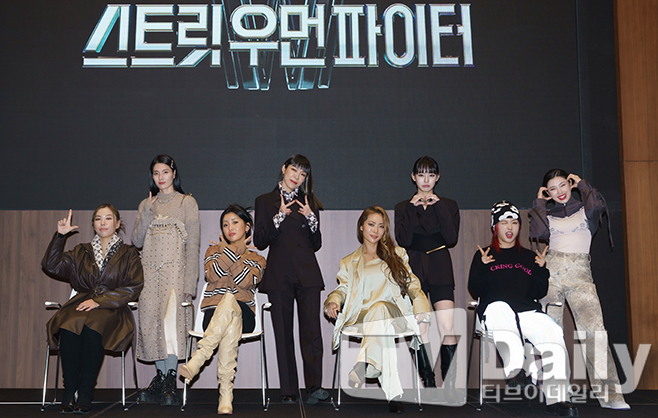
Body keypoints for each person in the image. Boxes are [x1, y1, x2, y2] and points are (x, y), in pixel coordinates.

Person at [529, 169, 630, 410]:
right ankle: (557, 393)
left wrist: (582, 185)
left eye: (563, 185)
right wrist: (540, 203)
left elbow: (598, 206)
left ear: (570, 184)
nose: (559, 192)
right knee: (551, 334)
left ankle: (611, 396)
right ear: (548, 193)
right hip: (552, 274)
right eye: (552, 189)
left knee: (595, 332)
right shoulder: (548, 214)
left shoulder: (586, 210)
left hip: (580, 274)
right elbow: (538, 232)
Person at [468, 201, 578, 417]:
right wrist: (482, 267)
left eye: (514, 222)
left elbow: (539, 292)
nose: (510, 227)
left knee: (552, 330)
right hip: (496, 313)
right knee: (500, 307)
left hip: (527, 313)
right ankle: (516, 370)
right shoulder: (484, 255)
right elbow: (476, 289)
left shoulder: (529, 257)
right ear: (495, 227)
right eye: (504, 222)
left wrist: (541, 269)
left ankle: (557, 397)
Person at [325, 206, 431, 413]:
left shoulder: (397, 254)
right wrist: (332, 301)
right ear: (361, 227)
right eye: (371, 224)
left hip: (394, 314)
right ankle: (389, 389)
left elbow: (412, 284)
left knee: (381, 309)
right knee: (380, 323)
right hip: (363, 317)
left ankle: (366, 364)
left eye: (381, 226)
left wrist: (420, 307)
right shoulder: (349, 261)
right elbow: (342, 289)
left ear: (385, 230)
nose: (376, 230)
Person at [42, 206, 144, 414]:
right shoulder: (81, 251)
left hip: (113, 308)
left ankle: (86, 392)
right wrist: (60, 237)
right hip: (81, 304)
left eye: (108, 218)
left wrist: (100, 301)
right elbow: (51, 265)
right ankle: (70, 391)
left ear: (117, 224)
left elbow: (134, 286)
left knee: (93, 328)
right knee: (68, 325)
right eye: (98, 219)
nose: (103, 222)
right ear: (94, 224)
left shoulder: (129, 253)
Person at [253, 154, 328, 405]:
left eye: (303, 174)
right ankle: (288, 389)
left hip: (307, 272)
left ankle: (314, 387)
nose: (297, 177)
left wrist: (311, 218)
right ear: (284, 168)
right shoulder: (264, 201)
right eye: (294, 170)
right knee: (283, 333)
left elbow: (316, 244)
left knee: (312, 331)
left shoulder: (309, 201)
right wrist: (279, 216)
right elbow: (260, 240)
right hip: (279, 273)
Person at [178, 204, 266, 414]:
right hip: (213, 314)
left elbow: (245, 281)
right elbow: (213, 274)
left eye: (235, 222)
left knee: (229, 300)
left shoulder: (258, 258)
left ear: (247, 226)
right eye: (225, 224)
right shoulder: (212, 251)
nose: (230, 228)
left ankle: (200, 357)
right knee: (229, 318)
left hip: (245, 314)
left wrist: (229, 251)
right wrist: (232, 251)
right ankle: (226, 393)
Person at [132, 154, 200, 406]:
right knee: (151, 324)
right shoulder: (145, 204)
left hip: (175, 274)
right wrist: (148, 214)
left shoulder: (186, 202)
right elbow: (136, 241)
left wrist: (190, 284)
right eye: (156, 173)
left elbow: (193, 245)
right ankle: (160, 378)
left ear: (174, 173)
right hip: (149, 275)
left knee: (170, 326)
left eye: (165, 172)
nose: (160, 178)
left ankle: (171, 377)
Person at [394, 156, 460, 389]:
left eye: (431, 175)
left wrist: (437, 205)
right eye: (421, 174)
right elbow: (403, 240)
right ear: (413, 177)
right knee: (420, 326)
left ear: (437, 178)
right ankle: (428, 381)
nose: (426, 180)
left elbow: (451, 238)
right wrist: (412, 208)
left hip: (441, 266)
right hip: (414, 269)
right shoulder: (403, 206)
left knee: (447, 326)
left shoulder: (448, 205)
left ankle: (450, 384)